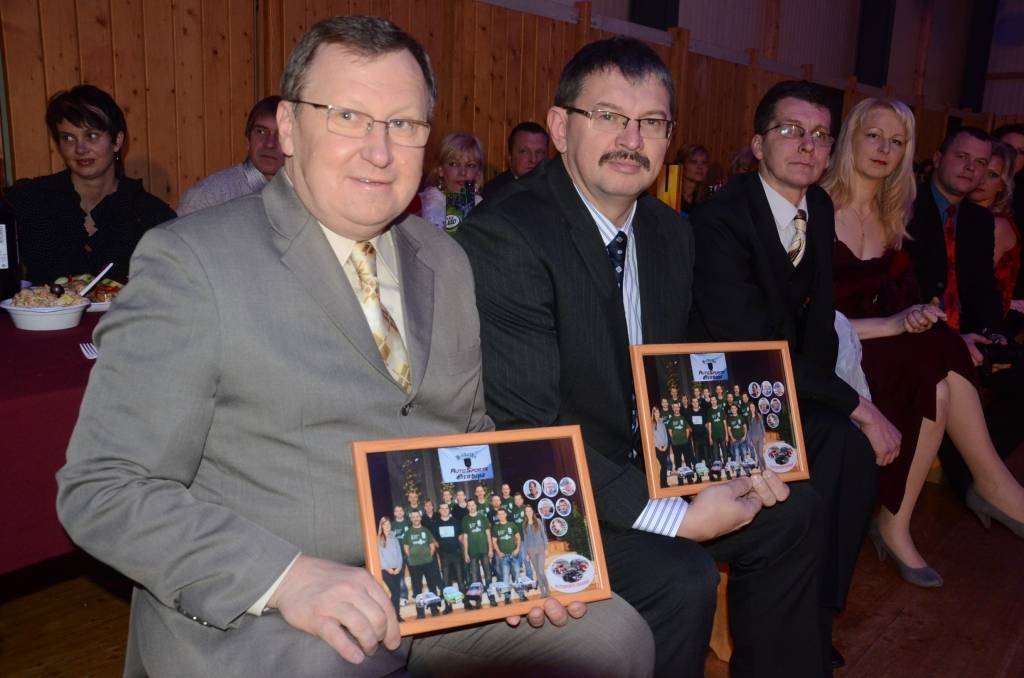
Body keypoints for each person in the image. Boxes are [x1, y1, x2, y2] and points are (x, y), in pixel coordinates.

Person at [56, 16, 651, 677]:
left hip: (438, 578)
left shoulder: (446, 261)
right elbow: (103, 488)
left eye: (404, 124)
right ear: (289, 127)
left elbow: (469, 433)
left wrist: (520, 548)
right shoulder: (193, 260)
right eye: (347, 116)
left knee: (613, 640)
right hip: (272, 610)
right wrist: (287, 578)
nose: (380, 150)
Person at [456, 37, 826, 677]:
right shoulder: (508, 234)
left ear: (668, 138)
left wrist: (735, 460)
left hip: (647, 462)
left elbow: (675, 378)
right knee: (682, 577)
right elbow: (528, 431)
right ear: (560, 127)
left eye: (651, 123)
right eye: (608, 116)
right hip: (552, 490)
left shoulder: (669, 230)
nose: (631, 140)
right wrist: (675, 516)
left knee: (797, 509)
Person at [688, 79, 900, 670]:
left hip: (782, 387)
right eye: (790, 131)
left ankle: (813, 616)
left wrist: (841, 404)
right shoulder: (720, 219)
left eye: (820, 135)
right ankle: (777, 644)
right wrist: (860, 406)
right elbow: (751, 342)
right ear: (759, 145)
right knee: (837, 443)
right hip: (723, 395)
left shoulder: (820, 207)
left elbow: (818, 323)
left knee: (849, 452)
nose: (807, 145)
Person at [823, 97, 1024, 586]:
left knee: (939, 358)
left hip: (881, 339)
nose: (884, 149)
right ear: (851, 137)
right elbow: (807, 319)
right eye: (874, 136)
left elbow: (903, 297)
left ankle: (902, 520)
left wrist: (915, 315)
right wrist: (895, 324)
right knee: (934, 363)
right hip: (830, 346)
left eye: (896, 142)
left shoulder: (894, 212)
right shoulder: (815, 205)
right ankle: (988, 485)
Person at [9, 84, 175, 283]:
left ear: (117, 141)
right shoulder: (30, 200)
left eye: (92, 135)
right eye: (68, 138)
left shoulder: (150, 215)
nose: (80, 149)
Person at [904, 127, 1006, 361]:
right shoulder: (905, 206)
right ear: (938, 159)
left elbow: (985, 287)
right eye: (962, 156)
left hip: (968, 337)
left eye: (981, 162)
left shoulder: (980, 219)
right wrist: (952, 342)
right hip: (915, 335)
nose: (971, 167)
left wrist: (994, 335)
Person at [177, 96, 285, 215]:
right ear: (248, 141)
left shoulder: (298, 195)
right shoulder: (209, 196)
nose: (270, 143)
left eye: (281, 134)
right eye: (261, 132)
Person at [969, 140, 1020, 318]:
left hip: (979, 320)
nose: (982, 180)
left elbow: (970, 282)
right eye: (981, 169)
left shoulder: (997, 225)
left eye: (992, 175)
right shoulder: (960, 215)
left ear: (1002, 185)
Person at [418, 132, 484, 232]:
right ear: (440, 170)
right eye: (454, 164)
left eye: (470, 165)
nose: (463, 172)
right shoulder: (428, 206)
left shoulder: (481, 205)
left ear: (478, 173)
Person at [481, 121, 550, 200]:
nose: (533, 160)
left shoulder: (555, 189)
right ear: (510, 157)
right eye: (524, 152)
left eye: (540, 152)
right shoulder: (494, 193)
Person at [377, 517, 405, 621]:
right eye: (385, 524)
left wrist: (399, 567)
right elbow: (380, 556)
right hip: (386, 570)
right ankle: (391, 616)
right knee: (395, 592)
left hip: (397, 569)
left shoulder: (394, 538)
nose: (387, 526)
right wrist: (387, 568)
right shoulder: (378, 539)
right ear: (381, 526)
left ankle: (397, 616)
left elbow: (399, 554)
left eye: (388, 524)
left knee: (397, 593)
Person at [521, 504, 550, 597]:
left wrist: (546, 548)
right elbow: (525, 540)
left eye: (530, 511)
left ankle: (547, 589)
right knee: (537, 572)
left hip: (540, 549)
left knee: (541, 571)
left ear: (532, 511)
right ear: (525, 513)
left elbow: (543, 535)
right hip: (531, 551)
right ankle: (542, 592)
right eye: (527, 511)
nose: (528, 512)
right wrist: (526, 553)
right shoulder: (524, 524)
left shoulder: (538, 521)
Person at [676, 143, 710, 215]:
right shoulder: (670, 194)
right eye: (694, 162)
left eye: (704, 163)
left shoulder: (707, 197)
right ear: (682, 165)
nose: (700, 167)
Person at [652, 406, 673, 487]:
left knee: (665, 465)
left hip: (665, 447)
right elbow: (653, 437)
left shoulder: (662, 423)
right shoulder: (651, 424)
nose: (657, 414)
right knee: (663, 465)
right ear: (653, 414)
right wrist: (658, 446)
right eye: (655, 412)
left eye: (658, 412)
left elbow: (666, 436)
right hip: (657, 448)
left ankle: (665, 483)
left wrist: (666, 446)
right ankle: (662, 483)